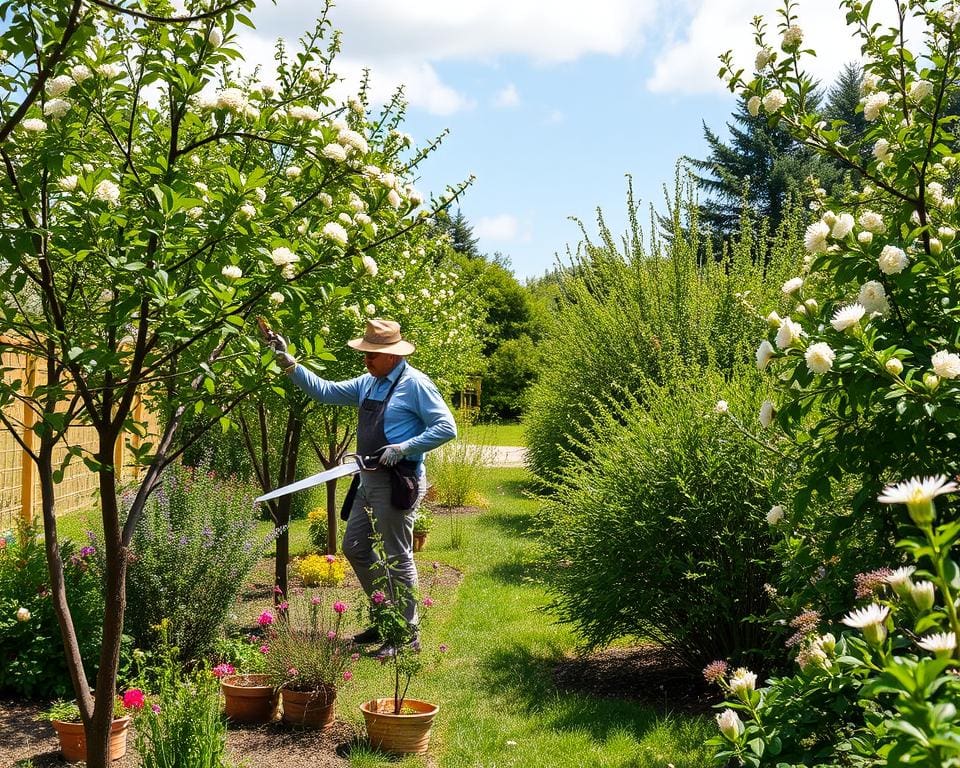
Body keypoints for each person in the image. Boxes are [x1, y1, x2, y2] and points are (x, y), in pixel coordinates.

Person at [265, 318, 456, 656]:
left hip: (398, 482)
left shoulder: (416, 385)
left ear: (393, 356)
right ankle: (386, 617)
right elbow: (324, 391)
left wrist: (404, 447)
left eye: (372, 354)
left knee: (398, 557)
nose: (366, 360)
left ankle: (407, 634)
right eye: (365, 353)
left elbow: (446, 427)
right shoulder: (370, 382)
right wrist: (287, 360)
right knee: (354, 547)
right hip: (367, 480)